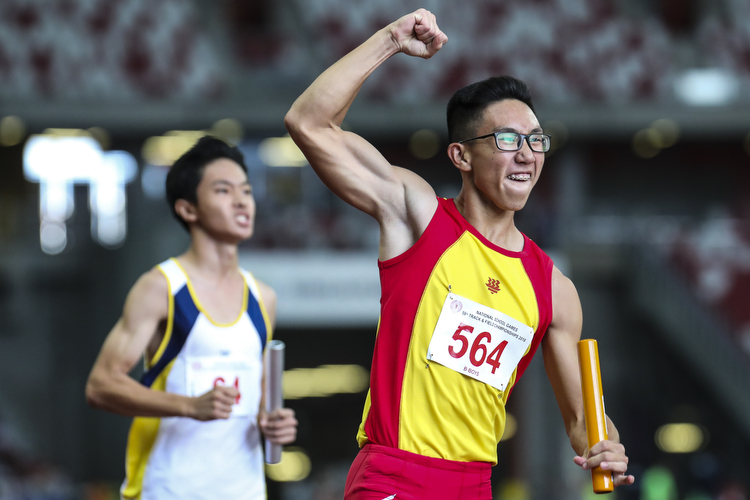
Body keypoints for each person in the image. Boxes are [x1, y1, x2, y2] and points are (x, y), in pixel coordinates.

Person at [285, 8, 635, 500]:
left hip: (473, 487)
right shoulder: (416, 216)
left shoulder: (554, 288)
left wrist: (608, 447)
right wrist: (389, 39)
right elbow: (308, 122)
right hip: (393, 476)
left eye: (536, 140)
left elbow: (584, 421)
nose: (527, 154)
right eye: (508, 139)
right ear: (461, 156)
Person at [85, 136, 297, 500]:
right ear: (188, 209)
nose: (242, 200)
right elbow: (101, 386)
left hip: (243, 489)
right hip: (167, 488)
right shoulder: (161, 288)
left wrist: (273, 422)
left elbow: (258, 396)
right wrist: (188, 405)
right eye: (223, 190)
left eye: (246, 190)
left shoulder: (263, 297)